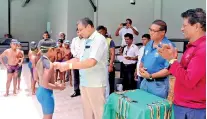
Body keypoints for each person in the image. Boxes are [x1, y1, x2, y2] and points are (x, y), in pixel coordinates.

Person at [54, 17, 108, 119]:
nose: (79, 33)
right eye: (78, 30)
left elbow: (91, 62)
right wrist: (62, 64)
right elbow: (78, 59)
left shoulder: (98, 40)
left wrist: (68, 66)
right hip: (84, 82)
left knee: (99, 113)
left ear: (88, 27)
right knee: (87, 112)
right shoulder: (84, 41)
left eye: (81, 30)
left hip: (95, 83)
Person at [158, 8, 206, 119]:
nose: (181, 29)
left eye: (184, 25)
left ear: (196, 26)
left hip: (192, 109)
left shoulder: (203, 49)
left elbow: (189, 80)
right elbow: (183, 73)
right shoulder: (193, 47)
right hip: (185, 105)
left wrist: (171, 60)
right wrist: (173, 59)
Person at [139, 20, 176, 99]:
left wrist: (151, 76)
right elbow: (143, 60)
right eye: (150, 29)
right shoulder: (149, 43)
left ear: (162, 32)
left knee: (156, 109)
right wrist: (141, 69)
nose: (150, 33)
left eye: (154, 31)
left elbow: (169, 69)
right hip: (145, 82)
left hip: (158, 85)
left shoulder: (168, 46)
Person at [36, 40, 66, 119]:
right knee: (48, 117)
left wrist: (54, 83)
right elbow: (46, 84)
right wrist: (59, 87)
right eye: (55, 49)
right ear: (50, 50)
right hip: (46, 94)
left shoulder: (40, 60)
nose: (57, 51)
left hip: (40, 91)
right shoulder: (49, 64)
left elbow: (37, 78)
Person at [97, 25, 115, 95]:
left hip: (106, 65)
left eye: (101, 32)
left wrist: (110, 65)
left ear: (105, 31)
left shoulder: (109, 41)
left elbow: (112, 54)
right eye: (98, 32)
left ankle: (107, 99)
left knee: (106, 83)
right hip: (98, 65)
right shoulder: (97, 41)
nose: (100, 33)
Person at [70, 29, 84, 97]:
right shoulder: (74, 39)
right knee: (76, 75)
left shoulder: (86, 39)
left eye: (80, 31)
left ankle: (84, 91)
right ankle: (76, 90)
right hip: (75, 59)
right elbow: (72, 48)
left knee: (83, 76)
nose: (79, 33)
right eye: (78, 32)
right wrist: (75, 55)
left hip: (83, 60)